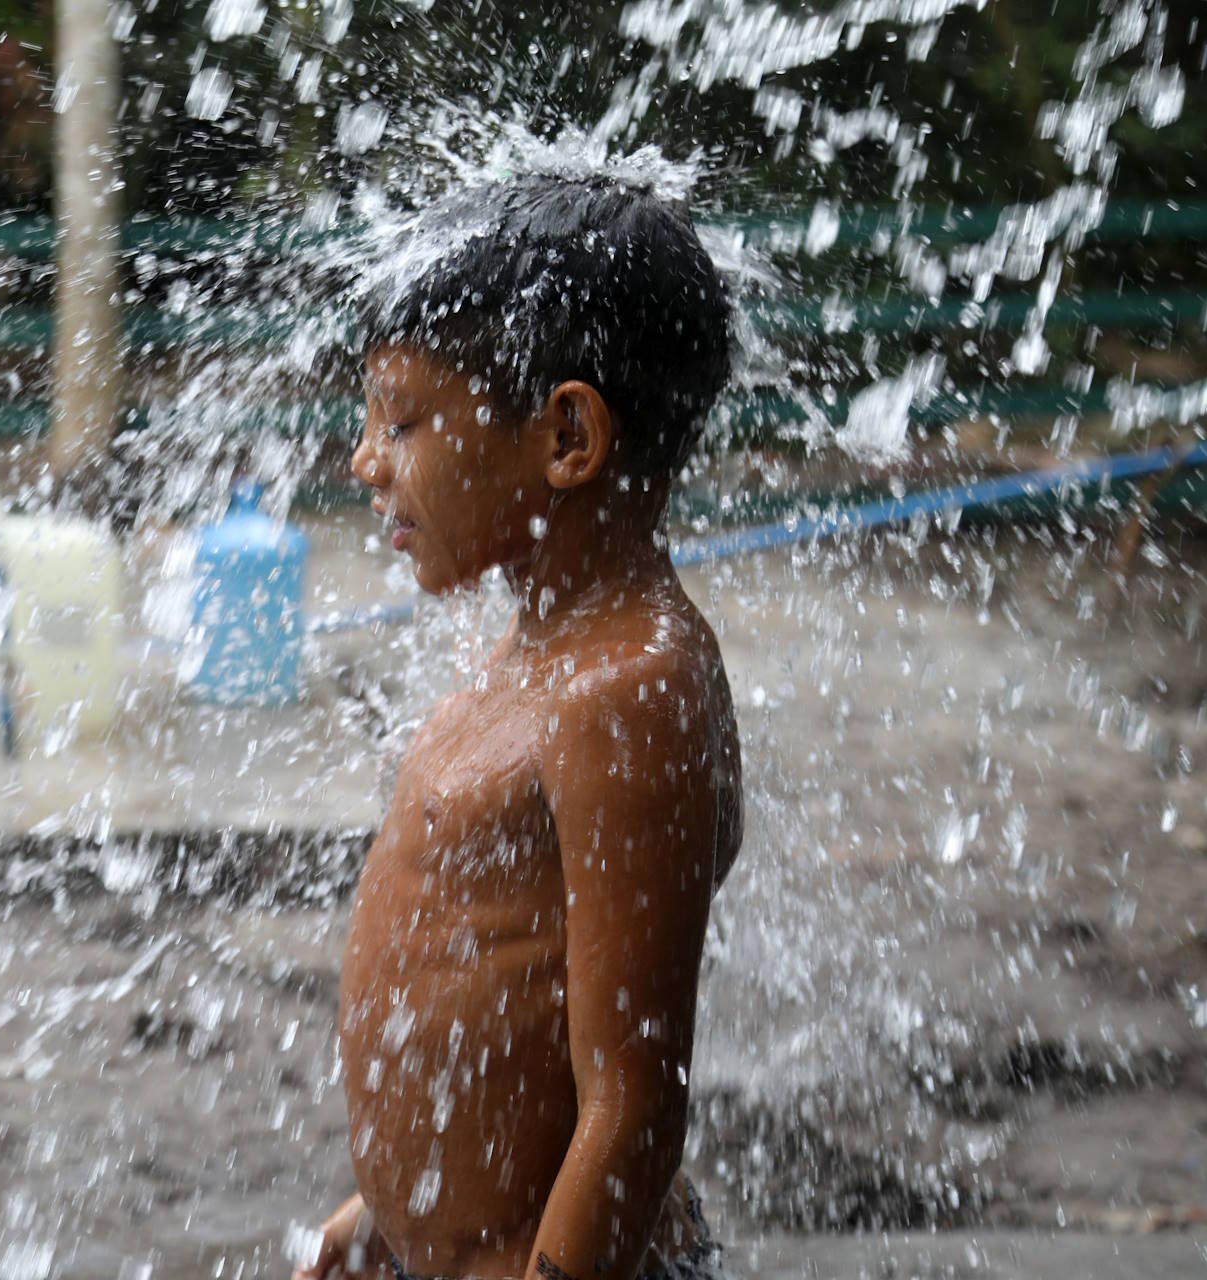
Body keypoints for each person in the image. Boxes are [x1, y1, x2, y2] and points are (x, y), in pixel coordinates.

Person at [293, 174, 744, 1280]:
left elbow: (635, 1104)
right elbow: (503, 994)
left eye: (403, 420)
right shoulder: (541, 646)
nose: (364, 459)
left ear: (568, 437)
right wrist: (394, 1210)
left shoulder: (630, 692)